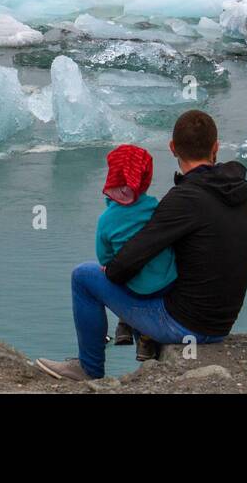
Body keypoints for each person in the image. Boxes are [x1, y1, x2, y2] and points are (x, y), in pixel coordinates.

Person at [36, 110, 247, 381]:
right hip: (222, 323)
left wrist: (111, 271)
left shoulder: (183, 199)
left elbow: (127, 262)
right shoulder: (237, 193)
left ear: (172, 147)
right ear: (216, 147)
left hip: (186, 325)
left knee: (84, 277)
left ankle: (88, 368)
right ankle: (146, 345)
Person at [97, 144, 177, 362]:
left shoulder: (106, 220)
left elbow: (104, 259)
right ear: (146, 178)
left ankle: (124, 323)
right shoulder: (156, 209)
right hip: (166, 285)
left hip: (133, 289)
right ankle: (145, 339)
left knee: (109, 270)